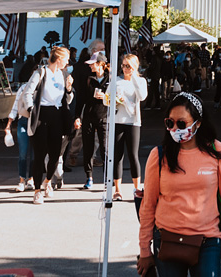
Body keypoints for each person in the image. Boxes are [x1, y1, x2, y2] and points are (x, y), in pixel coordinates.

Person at [137, 93, 221, 277]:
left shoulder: (217, 151)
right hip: (168, 240)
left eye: (182, 123)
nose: (175, 129)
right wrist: (145, 250)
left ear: (198, 123)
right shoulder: (159, 155)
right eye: (170, 123)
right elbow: (148, 205)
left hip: (207, 240)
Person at [21, 44, 79, 204]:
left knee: (55, 154)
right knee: (39, 155)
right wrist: (32, 109)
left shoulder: (63, 74)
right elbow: (27, 93)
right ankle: (37, 190)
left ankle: (47, 182)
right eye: (66, 59)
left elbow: (67, 100)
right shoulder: (41, 72)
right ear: (59, 59)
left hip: (57, 115)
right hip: (41, 114)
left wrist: (69, 89)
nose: (67, 63)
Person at [108, 52, 150, 200]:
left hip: (133, 122)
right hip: (117, 120)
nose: (125, 69)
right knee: (117, 156)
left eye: (129, 66)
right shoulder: (116, 81)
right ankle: (117, 189)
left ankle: (137, 188)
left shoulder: (140, 81)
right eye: (124, 65)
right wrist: (113, 100)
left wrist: (134, 77)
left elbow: (142, 96)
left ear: (135, 67)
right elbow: (107, 98)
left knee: (133, 155)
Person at [75, 49, 110, 190]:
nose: (90, 66)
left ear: (101, 64)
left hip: (104, 117)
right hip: (89, 117)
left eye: (93, 63)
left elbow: (118, 99)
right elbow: (81, 99)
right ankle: (89, 177)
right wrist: (77, 116)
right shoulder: (88, 79)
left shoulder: (111, 80)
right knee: (88, 148)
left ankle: (107, 178)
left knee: (105, 149)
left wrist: (106, 97)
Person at [3, 60, 37, 193]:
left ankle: (32, 179)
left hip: (35, 123)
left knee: (34, 155)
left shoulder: (42, 89)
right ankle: (22, 180)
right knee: (23, 153)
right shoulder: (23, 88)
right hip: (23, 120)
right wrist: (8, 124)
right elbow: (15, 106)